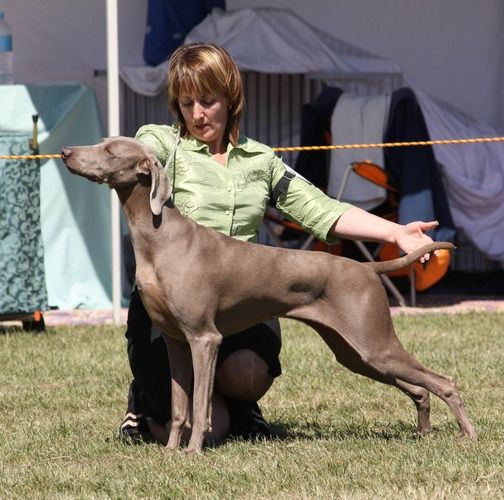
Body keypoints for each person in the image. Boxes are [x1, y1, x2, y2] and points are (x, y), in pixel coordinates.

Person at [119, 43, 438, 445]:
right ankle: (146, 402)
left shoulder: (261, 160)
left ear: (230, 98)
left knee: (249, 375)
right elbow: (137, 151)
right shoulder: (167, 148)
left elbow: (321, 209)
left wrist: (395, 232)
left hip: (239, 300)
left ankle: (237, 404)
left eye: (208, 101)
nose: (197, 114)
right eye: (186, 103)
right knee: (208, 434)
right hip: (170, 308)